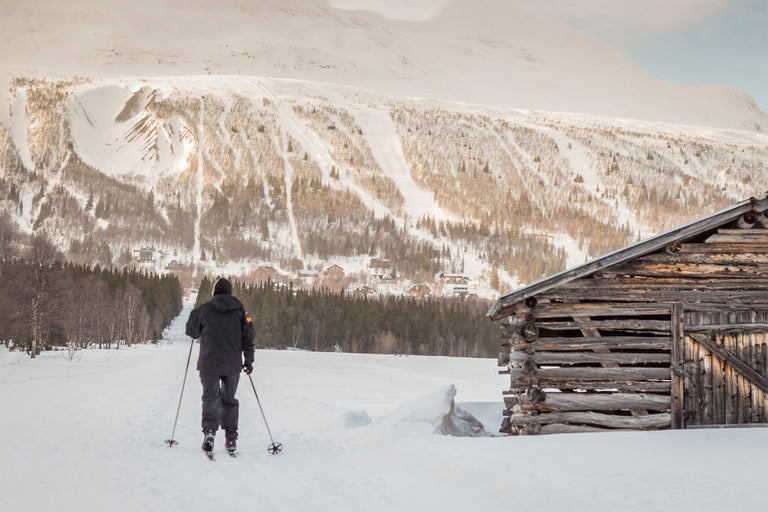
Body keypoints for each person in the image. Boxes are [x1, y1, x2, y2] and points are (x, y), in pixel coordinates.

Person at [185, 277, 256, 455]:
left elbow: (192, 332)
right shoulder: (240, 311)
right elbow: (249, 338)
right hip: (232, 364)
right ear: (230, 292)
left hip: (209, 362)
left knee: (210, 397)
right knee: (229, 400)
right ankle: (231, 439)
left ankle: (209, 434)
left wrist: (197, 319)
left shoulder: (204, 309)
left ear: (214, 292)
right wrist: (248, 362)